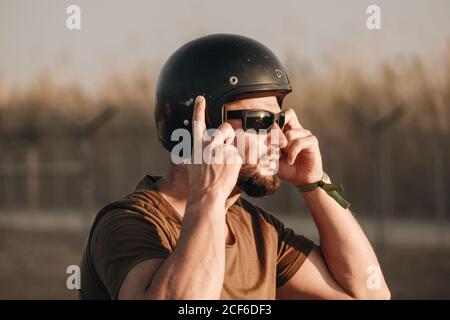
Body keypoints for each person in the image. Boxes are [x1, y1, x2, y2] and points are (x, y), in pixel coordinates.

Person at [79, 34, 390, 300]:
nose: (280, 139)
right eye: (260, 121)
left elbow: (371, 293)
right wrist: (209, 195)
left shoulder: (258, 230)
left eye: (279, 120)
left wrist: (317, 183)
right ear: (201, 129)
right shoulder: (127, 223)